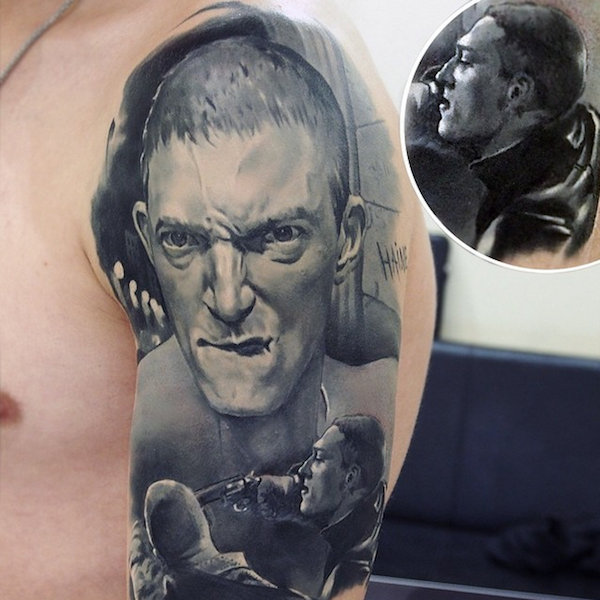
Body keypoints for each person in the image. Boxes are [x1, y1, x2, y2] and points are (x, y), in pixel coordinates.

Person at [0, 2, 435, 600]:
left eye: (277, 236)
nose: (228, 300)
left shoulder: (226, 34)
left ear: (348, 237)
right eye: (181, 241)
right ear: (147, 235)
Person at [407, 1, 600, 268]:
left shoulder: (521, 236)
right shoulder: (584, 126)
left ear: (516, 93)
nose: (442, 75)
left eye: (464, 61)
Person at [135, 416, 386, 600]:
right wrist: (289, 497)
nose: (303, 469)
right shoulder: (361, 524)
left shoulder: (350, 573)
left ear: (351, 477)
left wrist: (205, 565)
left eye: (318, 458)